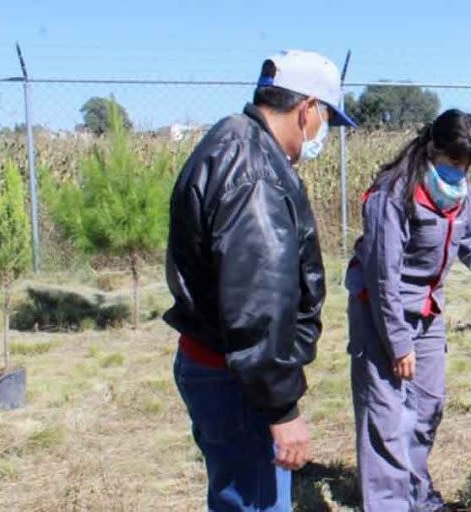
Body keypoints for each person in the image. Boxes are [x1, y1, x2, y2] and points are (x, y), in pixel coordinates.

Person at [165, 50, 356, 511]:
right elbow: (257, 303)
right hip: (239, 380)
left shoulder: (232, 140)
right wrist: (281, 409)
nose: (322, 132)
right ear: (307, 108)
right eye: (325, 118)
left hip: (222, 367)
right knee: (257, 501)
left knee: (236, 495)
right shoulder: (256, 175)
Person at [344, 109, 471, 511]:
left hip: (427, 313)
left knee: (427, 409)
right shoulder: (392, 194)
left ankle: (418, 497)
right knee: (387, 419)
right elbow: (382, 278)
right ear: (433, 148)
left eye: (467, 168)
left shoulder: (459, 196)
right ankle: (387, 504)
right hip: (382, 313)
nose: (459, 174)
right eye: (453, 164)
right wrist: (397, 344)